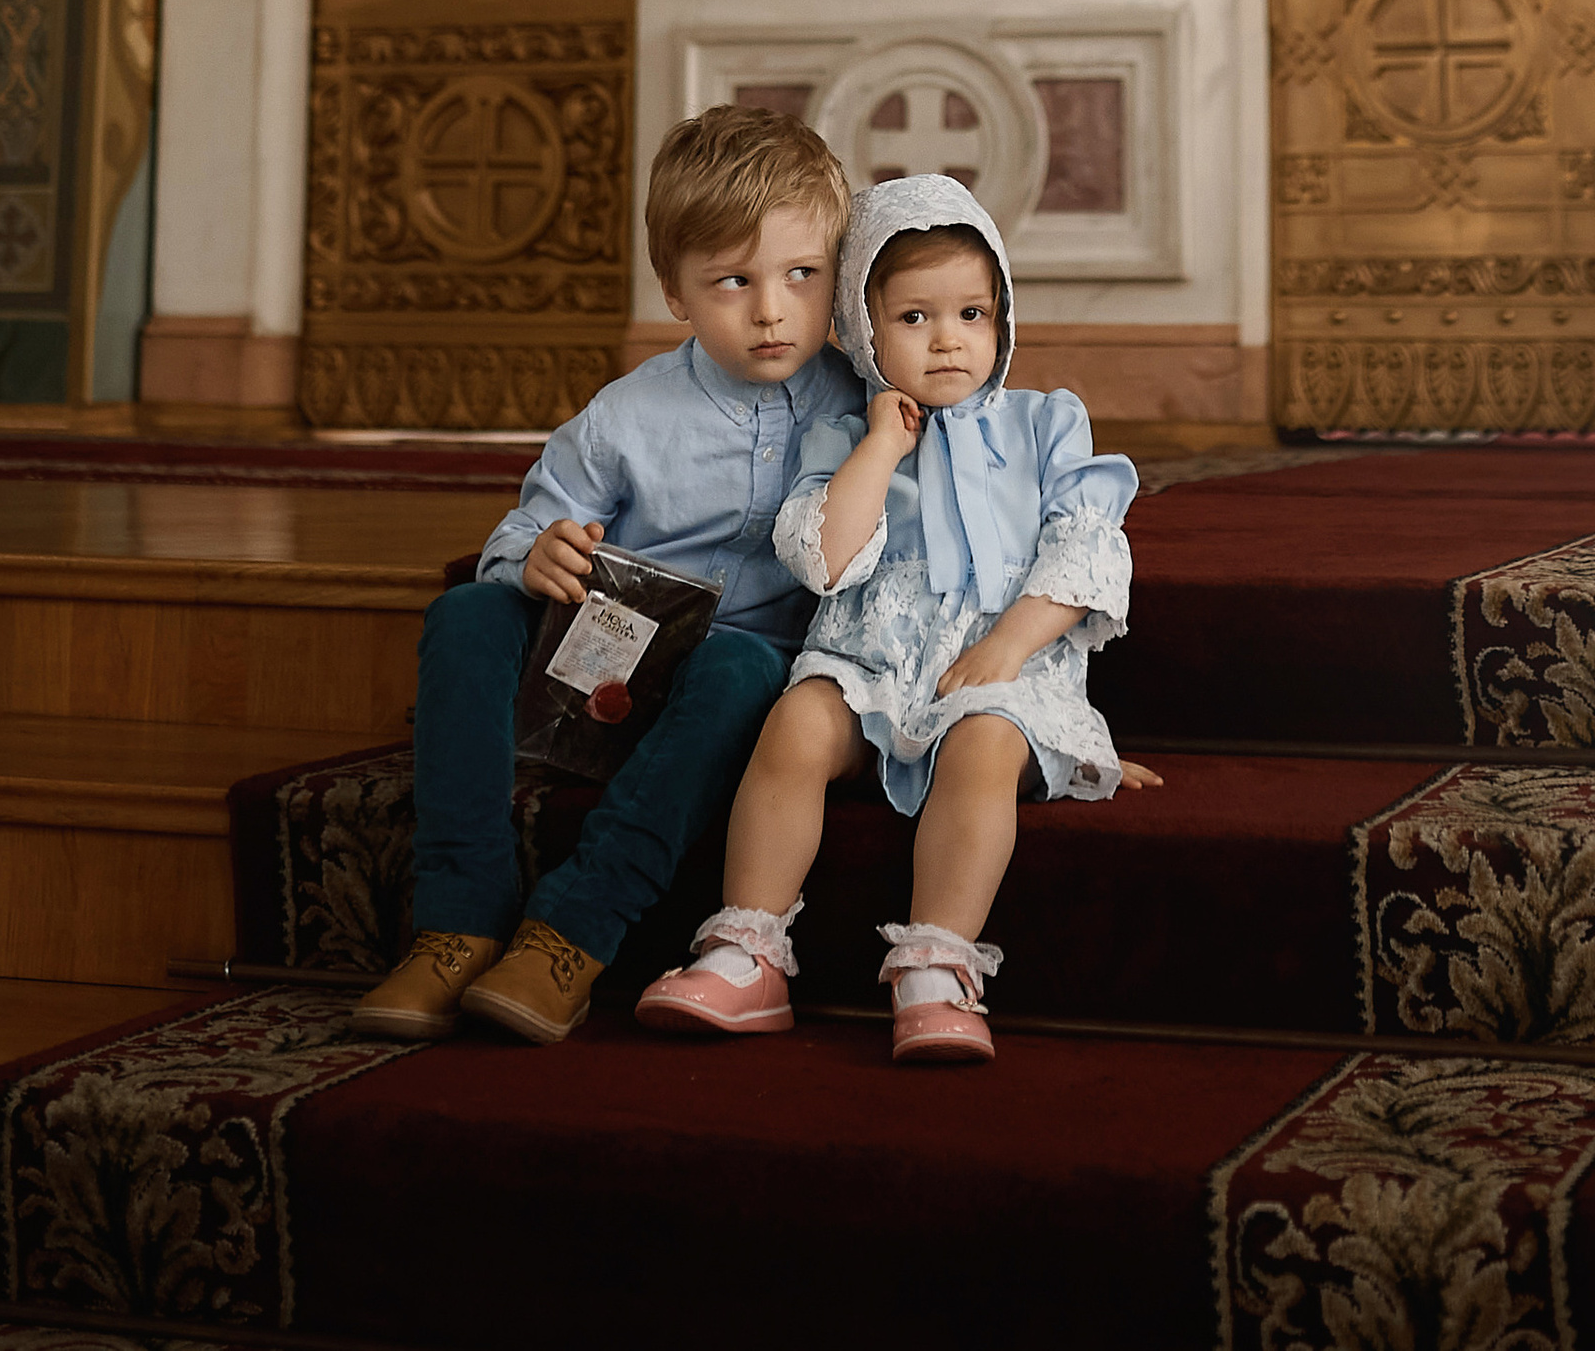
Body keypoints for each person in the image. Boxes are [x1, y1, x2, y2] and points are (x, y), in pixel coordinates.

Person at [350, 106, 862, 1050]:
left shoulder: (862, 400)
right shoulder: (626, 415)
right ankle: (457, 920)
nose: (770, 310)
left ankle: (569, 937)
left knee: (744, 664)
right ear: (674, 291)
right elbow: (531, 524)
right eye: (731, 283)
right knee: (467, 610)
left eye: (803, 276)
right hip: (599, 670)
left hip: (727, 702)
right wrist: (537, 553)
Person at [639, 173, 1147, 1063]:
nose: (948, 341)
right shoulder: (843, 436)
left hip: (1002, 660)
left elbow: (1087, 551)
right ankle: (746, 951)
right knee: (797, 724)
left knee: (985, 742)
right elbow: (826, 560)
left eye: (972, 315)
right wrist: (880, 445)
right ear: (863, 329)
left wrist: (1007, 649)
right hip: (871, 658)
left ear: (1002, 317)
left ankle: (936, 966)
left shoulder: (1043, 424)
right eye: (914, 319)